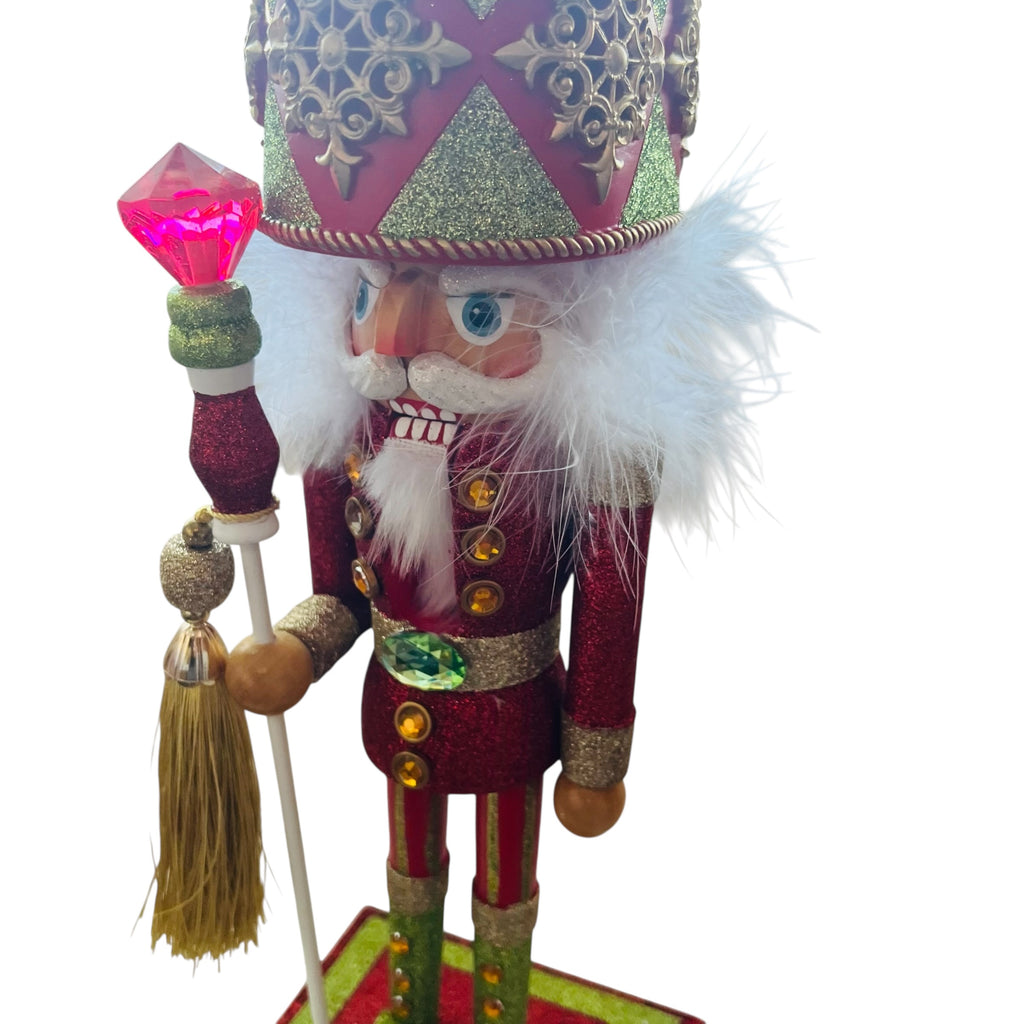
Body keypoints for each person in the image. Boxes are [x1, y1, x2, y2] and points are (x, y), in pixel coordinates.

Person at [226, 2, 778, 1020]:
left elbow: (609, 598)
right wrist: (296, 651)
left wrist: (597, 750)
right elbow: (338, 589)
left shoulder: (571, 446)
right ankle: (409, 1002)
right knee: (407, 867)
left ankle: (498, 1009)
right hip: (397, 702)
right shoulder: (352, 425)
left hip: (514, 710)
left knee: (506, 886)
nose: (395, 341)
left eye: (476, 310)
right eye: (368, 298)